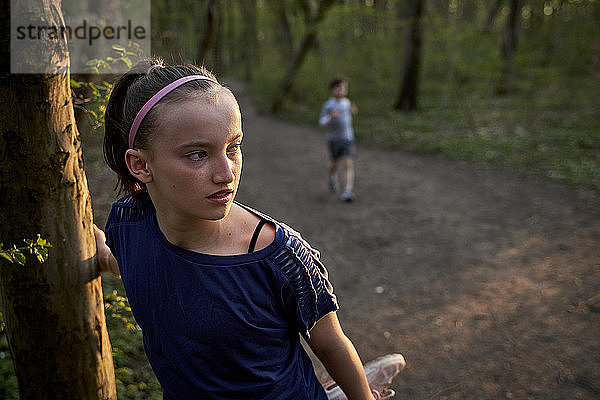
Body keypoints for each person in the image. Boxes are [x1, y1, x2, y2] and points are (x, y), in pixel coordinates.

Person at [93, 59, 379, 400]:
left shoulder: (279, 257)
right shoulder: (129, 227)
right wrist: (104, 257)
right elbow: (139, 265)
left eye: (233, 148)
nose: (226, 173)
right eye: (198, 154)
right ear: (140, 164)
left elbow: (332, 345)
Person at [319, 78, 358, 202]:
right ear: (332, 90)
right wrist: (331, 116)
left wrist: (353, 110)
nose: (342, 90)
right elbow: (321, 122)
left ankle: (348, 190)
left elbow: (353, 113)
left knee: (348, 163)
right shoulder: (328, 105)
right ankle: (332, 176)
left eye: (344, 88)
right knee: (335, 163)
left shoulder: (347, 102)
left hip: (348, 138)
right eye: (339, 88)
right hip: (334, 140)